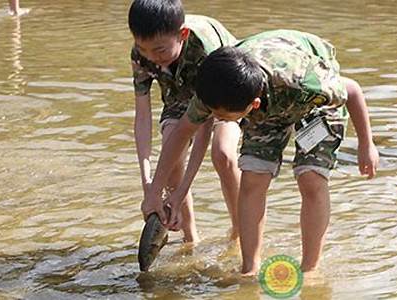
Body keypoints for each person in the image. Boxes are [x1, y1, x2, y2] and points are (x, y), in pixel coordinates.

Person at [145, 29, 379, 275]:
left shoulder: (306, 81)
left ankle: (309, 270)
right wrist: (156, 192)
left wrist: (367, 144)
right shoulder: (216, 87)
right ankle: (249, 268)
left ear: (252, 105)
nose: (215, 119)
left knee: (310, 178)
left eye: (222, 118)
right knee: (252, 180)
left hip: (314, 105)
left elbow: (352, 90)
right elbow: (182, 133)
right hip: (262, 105)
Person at [128, 0, 242, 243]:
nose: (151, 58)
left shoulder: (204, 49)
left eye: (159, 51)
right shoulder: (143, 52)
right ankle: (190, 239)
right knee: (170, 159)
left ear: (183, 35)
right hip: (178, 95)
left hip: (225, 94)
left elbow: (204, 127)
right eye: (143, 49)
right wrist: (148, 183)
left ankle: (239, 230)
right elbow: (143, 116)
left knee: (223, 155)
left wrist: (180, 192)